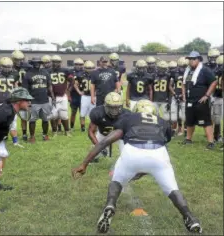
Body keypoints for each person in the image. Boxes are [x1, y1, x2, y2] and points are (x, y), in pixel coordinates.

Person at [72, 99, 202, 234]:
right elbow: (159, 145)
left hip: (132, 153)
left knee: (117, 180)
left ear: (136, 111)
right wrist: (146, 170)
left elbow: (104, 141)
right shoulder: (163, 122)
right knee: (173, 189)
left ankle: (110, 204)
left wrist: (84, 164)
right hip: (159, 155)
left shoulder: (128, 118)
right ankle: (190, 218)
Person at [0, 87, 33, 192]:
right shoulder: (5, 112)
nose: (29, 102)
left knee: (2, 157)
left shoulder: (11, 110)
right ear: (18, 101)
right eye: (26, 100)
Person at [182, 51, 217, 150]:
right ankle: (188, 139)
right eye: (189, 59)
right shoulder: (188, 70)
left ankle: (211, 142)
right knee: (189, 121)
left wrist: (207, 95)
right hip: (189, 100)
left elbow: (214, 81)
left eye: (193, 59)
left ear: (198, 59)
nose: (191, 61)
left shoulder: (205, 70)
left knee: (205, 121)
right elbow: (183, 83)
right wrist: (184, 94)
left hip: (201, 101)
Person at [88, 92, 131, 161]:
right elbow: (91, 132)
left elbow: (130, 133)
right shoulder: (98, 113)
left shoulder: (126, 114)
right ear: (105, 105)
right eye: (111, 107)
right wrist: (99, 146)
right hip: (103, 134)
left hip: (120, 137)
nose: (114, 111)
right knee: (93, 156)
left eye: (117, 107)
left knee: (126, 155)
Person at [22, 57, 55, 143]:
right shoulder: (28, 74)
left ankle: (45, 135)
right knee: (32, 120)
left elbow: (49, 86)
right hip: (33, 101)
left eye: (38, 63)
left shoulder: (45, 72)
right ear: (32, 63)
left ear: (40, 63)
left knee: (45, 119)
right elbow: (25, 89)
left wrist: (53, 97)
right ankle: (32, 137)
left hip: (45, 100)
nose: (37, 64)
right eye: (35, 63)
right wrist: (27, 100)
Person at [0, 57, 24, 147]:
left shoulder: (15, 73)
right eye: (5, 66)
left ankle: (15, 142)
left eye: (9, 66)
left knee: (13, 122)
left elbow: (16, 87)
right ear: (0, 66)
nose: (8, 68)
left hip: (10, 102)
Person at [48, 55, 73, 136]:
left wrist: (69, 89)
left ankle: (67, 131)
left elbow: (72, 80)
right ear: (52, 62)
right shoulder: (48, 71)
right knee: (53, 115)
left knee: (64, 115)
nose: (55, 63)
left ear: (60, 62)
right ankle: (55, 131)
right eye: (54, 62)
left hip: (62, 95)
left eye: (57, 62)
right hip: (52, 96)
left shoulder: (65, 70)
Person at [12, 50, 33, 141]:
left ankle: (25, 134)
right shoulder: (10, 68)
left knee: (25, 114)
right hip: (15, 93)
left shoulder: (28, 67)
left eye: (21, 59)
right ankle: (10, 132)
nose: (19, 61)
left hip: (25, 93)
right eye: (17, 59)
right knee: (13, 115)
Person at [206, 49, 222, 142]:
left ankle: (217, 134)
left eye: (214, 57)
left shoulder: (221, 67)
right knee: (209, 116)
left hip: (218, 95)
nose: (213, 59)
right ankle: (211, 134)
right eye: (211, 57)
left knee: (217, 117)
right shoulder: (206, 67)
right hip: (208, 94)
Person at [74, 60, 96, 132]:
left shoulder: (96, 75)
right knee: (82, 113)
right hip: (85, 96)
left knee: (93, 112)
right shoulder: (80, 75)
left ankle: (91, 126)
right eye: (88, 68)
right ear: (85, 68)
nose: (90, 69)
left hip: (93, 96)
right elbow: (75, 84)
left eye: (91, 68)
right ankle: (82, 127)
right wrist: (79, 92)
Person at [169, 57, 188, 136]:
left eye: (184, 67)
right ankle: (174, 130)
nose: (182, 68)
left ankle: (185, 131)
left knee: (184, 116)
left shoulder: (190, 73)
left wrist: (184, 95)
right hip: (175, 96)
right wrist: (174, 94)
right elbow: (170, 85)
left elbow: (190, 86)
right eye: (180, 66)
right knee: (173, 116)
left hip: (185, 97)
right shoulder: (174, 73)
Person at [69, 58, 84, 131]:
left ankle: (82, 127)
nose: (78, 66)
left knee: (82, 112)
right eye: (77, 64)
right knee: (73, 112)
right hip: (73, 94)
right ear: (74, 64)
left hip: (82, 94)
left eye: (80, 64)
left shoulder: (85, 72)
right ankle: (71, 127)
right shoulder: (70, 72)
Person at [215, 55, 224, 150]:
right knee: (217, 118)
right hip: (217, 96)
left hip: (220, 96)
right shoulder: (215, 70)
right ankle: (217, 135)